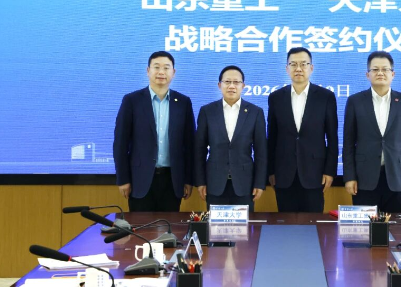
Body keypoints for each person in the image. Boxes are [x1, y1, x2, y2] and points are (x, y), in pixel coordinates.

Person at [113, 51, 195, 212]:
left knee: (170, 227)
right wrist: (123, 179)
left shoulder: (183, 102)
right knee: (140, 226)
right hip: (140, 179)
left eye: (166, 68)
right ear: (148, 70)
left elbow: (189, 145)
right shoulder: (132, 101)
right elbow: (120, 143)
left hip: (173, 180)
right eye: (156, 67)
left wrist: (188, 179)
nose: (161, 72)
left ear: (173, 72)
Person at [342, 51, 401, 213]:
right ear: (367, 74)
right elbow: (348, 143)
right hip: (364, 178)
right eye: (375, 69)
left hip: (397, 177)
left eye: (385, 69)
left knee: (396, 226)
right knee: (366, 227)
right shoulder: (355, 102)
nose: (380, 73)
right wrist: (349, 177)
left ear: (393, 74)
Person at [267, 47, 338, 213]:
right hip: (283, 174)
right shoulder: (276, 98)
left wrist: (330, 171)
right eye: (293, 64)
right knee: (285, 222)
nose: (298, 68)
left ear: (311, 68)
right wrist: (271, 171)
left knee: (313, 223)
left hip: (315, 174)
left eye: (303, 64)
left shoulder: (325, 97)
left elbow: (332, 138)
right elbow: (272, 138)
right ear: (287, 68)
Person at [194, 66, 267, 210]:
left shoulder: (255, 112)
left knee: (244, 224)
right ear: (219, 85)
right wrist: (200, 181)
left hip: (244, 184)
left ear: (243, 86)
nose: (232, 86)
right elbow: (199, 150)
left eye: (236, 82)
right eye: (227, 82)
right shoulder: (207, 111)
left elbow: (261, 152)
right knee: (215, 224)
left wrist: (259, 183)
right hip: (214, 183)